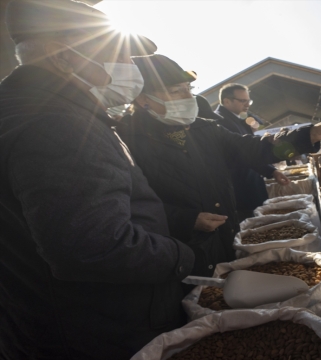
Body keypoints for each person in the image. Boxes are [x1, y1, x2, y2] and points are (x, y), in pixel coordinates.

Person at [0, 1, 196, 358]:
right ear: (61, 56)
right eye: (115, 57)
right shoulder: (59, 123)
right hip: (98, 334)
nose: (125, 70)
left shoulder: (23, 109)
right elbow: (94, 247)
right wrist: (180, 255)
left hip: (48, 325)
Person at [117, 54, 321, 276]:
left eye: (189, 89)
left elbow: (253, 148)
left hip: (223, 236)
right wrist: (186, 220)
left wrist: (309, 135)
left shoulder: (204, 129)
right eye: (177, 91)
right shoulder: (124, 140)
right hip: (175, 253)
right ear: (142, 99)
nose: (188, 97)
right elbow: (127, 204)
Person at [214, 83, 289, 220]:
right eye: (243, 101)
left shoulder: (237, 119)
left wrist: (271, 171)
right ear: (226, 101)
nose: (248, 104)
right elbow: (244, 153)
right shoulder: (220, 122)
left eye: (249, 100)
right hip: (240, 188)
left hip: (250, 184)